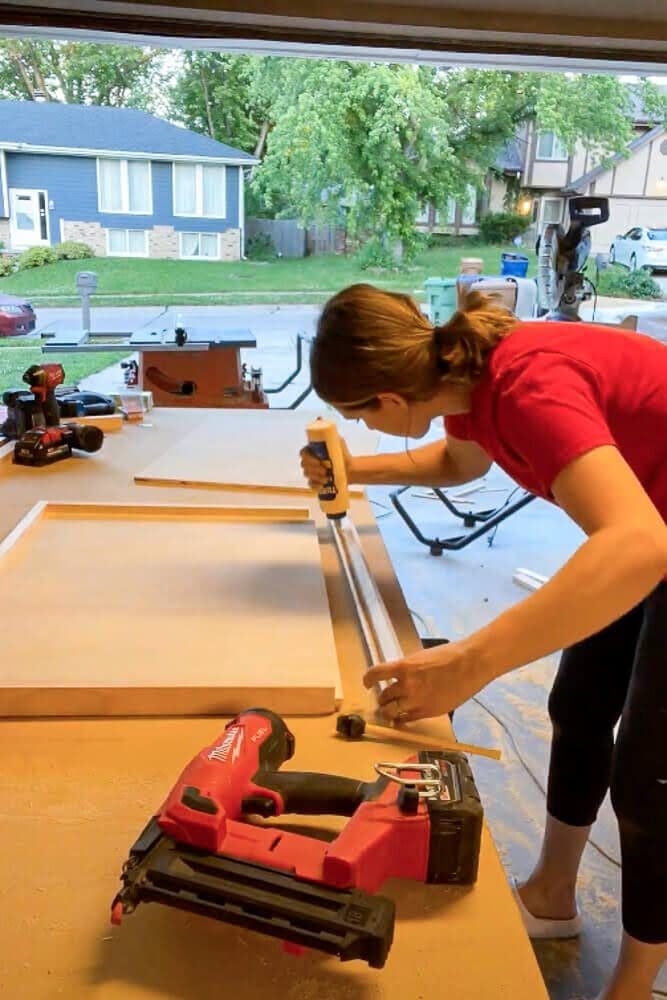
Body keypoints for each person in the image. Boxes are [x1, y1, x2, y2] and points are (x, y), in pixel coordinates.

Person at [300, 283, 667, 1000]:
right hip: (652, 524)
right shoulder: (465, 381)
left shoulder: (526, 386)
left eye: (357, 419)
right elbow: (457, 465)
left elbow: (634, 544)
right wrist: (351, 471)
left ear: (388, 397)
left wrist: (470, 663)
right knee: (579, 706)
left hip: (648, 534)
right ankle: (553, 893)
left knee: (649, 779)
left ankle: (632, 983)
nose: (364, 431)